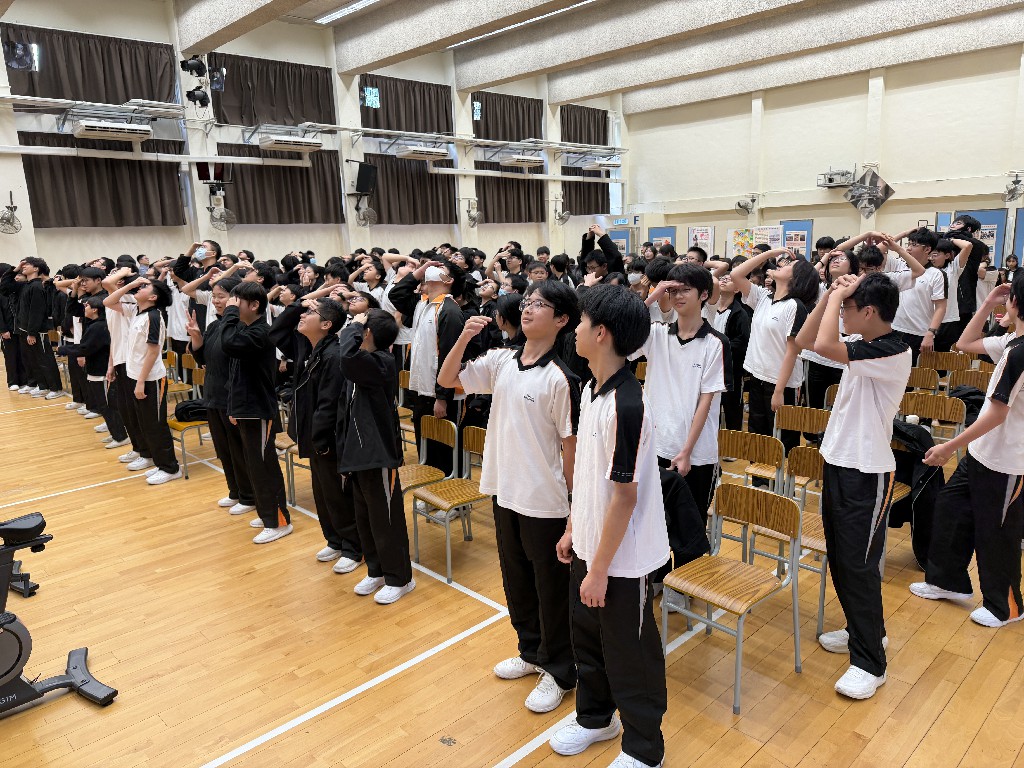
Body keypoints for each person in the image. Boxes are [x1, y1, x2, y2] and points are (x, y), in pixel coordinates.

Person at [439, 281, 581, 715]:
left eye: (541, 304)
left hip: (544, 500)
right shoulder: (502, 360)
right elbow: (447, 380)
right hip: (504, 490)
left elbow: (571, 451)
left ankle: (560, 671)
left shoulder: (562, 378)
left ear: (561, 320)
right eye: (528, 302)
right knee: (517, 581)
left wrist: (575, 512)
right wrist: (464, 337)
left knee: (550, 589)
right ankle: (531, 651)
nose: (529, 309)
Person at [548, 284, 668, 768]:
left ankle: (644, 748)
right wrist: (573, 528)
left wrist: (599, 570)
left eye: (580, 322)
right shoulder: (590, 389)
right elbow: (589, 478)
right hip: (590, 545)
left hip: (622, 559)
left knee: (630, 653)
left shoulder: (628, 405)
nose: (574, 330)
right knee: (588, 642)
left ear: (601, 333)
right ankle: (596, 719)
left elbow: (624, 496)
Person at [810, 273, 911, 700]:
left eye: (848, 308)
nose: (842, 314)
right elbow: (807, 338)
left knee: (859, 564)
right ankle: (866, 630)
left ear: (868, 311)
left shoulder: (893, 349)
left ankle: (870, 663)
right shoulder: (865, 344)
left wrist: (836, 292)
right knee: (842, 559)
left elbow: (822, 344)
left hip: (867, 473)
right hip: (840, 462)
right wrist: (832, 298)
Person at [910, 278, 1024, 628]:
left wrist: (948, 446)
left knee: (997, 533)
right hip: (982, 452)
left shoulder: (1019, 353)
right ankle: (947, 581)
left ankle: (1007, 607)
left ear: (1016, 302)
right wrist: (988, 303)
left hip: (1007, 461)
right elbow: (965, 343)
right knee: (950, 509)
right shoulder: (1011, 342)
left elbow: (997, 413)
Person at [639, 264, 730, 522]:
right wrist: (653, 296)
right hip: (656, 447)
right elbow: (621, 330)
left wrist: (687, 451)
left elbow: (706, 401)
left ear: (704, 294)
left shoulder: (716, 343)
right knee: (653, 527)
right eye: (673, 290)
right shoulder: (656, 333)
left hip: (696, 455)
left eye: (685, 290)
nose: (677, 296)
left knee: (690, 530)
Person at [337, 308, 415, 605]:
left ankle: (400, 578)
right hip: (357, 454)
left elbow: (348, 358)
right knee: (365, 517)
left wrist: (352, 329)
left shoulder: (381, 361)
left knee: (386, 519)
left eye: (361, 327)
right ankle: (377, 570)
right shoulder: (365, 362)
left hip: (378, 453)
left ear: (366, 333)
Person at [293, 297, 363, 571]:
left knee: (337, 494)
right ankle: (335, 539)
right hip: (315, 435)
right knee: (322, 492)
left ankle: (353, 548)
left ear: (326, 324)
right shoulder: (315, 349)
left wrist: (320, 439)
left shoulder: (334, 355)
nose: (302, 314)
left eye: (310, 312)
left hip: (328, 438)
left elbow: (329, 404)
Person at [729, 248, 819, 455]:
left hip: (780, 384)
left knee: (781, 442)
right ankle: (758, 475)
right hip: (757, 377)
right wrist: (770, 253)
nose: (781, 264)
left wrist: (778, 392)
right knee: (757, 439)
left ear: (797, 278)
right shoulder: (763, 296)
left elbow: (792, 351)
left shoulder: (795, 306)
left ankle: (783, 478)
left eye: (789, 265)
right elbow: (736, 274)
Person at [221, 282, 292, 543]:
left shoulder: (261, 332)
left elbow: (228, 343)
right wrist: (233, 406)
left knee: (263, 465)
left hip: (258, 408)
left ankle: (278, 521)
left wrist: (229, 314)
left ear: (254, 305)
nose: (231, 305)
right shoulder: (247, 329)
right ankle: (267, 512)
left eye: (236, 301)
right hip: (245, 407)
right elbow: (234, 373)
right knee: (254, 463)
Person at [184, 277, 257, 515]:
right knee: (224, 449)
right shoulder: (216, 325)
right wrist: (196, 337)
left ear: (235, 300)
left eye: (221, 296)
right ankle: (235, 491)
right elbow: (204, 359)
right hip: (213, 395)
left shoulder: (240, 328)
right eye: (214, 296)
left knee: (238, 450)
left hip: (231, 398)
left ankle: (249, 495)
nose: (215, 301)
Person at [388, 259, 467, 477]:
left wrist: (442, 397)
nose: (433, 269)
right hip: (421, 389)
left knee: (445, 450)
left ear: (448, 280)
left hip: (440, 394)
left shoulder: (450, 311)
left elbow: (449, 357)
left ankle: (451, 493)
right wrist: (419, 271)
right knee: (427, 447)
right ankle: (431, 487)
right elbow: (396, 295)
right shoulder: (421, 304)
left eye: (440, 269)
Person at [108, 275, 181, 485]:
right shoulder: (136, 312)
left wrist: (141, 381)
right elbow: (108, 301)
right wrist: (131, 285)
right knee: (145, 423)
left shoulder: (154, 317)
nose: (140, 288)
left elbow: (153, 352)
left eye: (146, 286)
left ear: (153, 297)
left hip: (150, 380)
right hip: (135, 376)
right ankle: (159, 463)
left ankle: (171, 468)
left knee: (155, 424)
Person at [892, 228, 946, 365]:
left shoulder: (936, 274)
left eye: (914, 245)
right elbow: (881, 248)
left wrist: (930, 333)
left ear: (927, 249)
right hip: (894, 329)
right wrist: (904, 233)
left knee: (912, 374)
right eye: (908, 244)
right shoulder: (899, 265)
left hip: (918, 333)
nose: (908, 248)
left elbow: (940, 307)